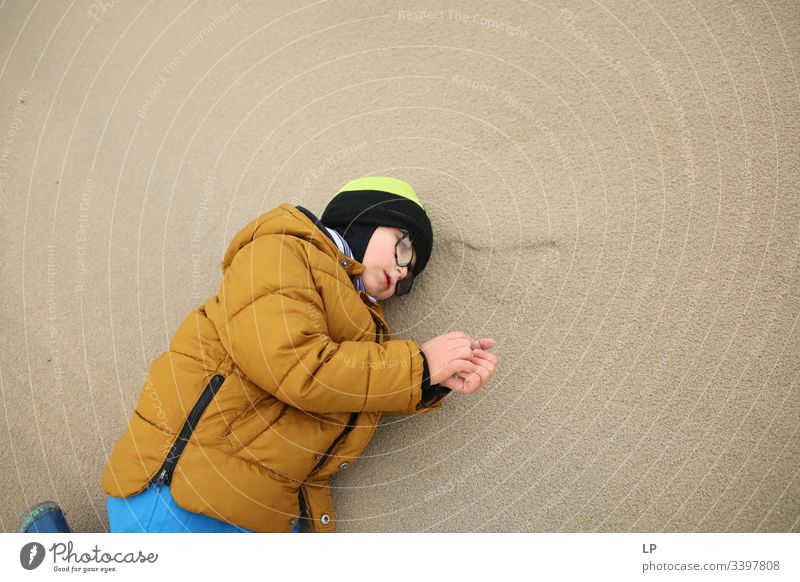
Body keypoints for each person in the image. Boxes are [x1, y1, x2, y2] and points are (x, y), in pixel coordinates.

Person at [21, 176, 498, 533]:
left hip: (246, 503)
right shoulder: (284, 248)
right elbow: (289, 364)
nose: (401, 273)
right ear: (366, 214)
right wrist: (418, 366)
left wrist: (433, 379)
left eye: (409, 275)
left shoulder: (364, 326)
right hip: (187, 491)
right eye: (403, 248)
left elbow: (343, 397)